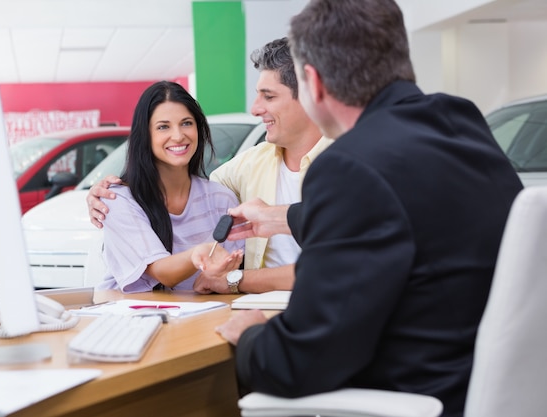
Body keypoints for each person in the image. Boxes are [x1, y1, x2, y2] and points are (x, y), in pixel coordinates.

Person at [213, 1, 524, 416]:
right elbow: (409, 213)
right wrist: (280, 217)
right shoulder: (459, 121)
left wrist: (252, 336)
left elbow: (301, 362)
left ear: (314, 83)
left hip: (415, 398)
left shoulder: (348, 166)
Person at [87, 38, 333, 294]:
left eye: (268, 96)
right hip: (259, 314)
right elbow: (195, 193)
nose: (254, 109)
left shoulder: (354, 165)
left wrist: (233, 280)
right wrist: (98, 194)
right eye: (163, 127)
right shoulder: (247, 168)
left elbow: (341, 266)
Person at [98, 80, 243, 293]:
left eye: (186, 123)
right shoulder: (119, 201)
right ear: (145, 135)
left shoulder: (222, 199)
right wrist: (199, 254)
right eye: (163, 126)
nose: (178, 135)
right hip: (133, 320)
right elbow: (162, 272)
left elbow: (225, 278)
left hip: (201, 318)